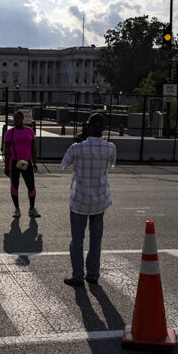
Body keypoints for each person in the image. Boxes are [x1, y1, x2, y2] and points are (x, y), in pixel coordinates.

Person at [60, 113, 117, 287]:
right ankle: (93, 273)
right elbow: (112, 164)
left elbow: (63, 164)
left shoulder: (77, 148)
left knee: (77, 240)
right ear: (103, 129)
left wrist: (79, 142)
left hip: (80, 201)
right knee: (96, 238)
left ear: (88, 127)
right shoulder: (111, 148)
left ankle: (78, 275)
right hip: (99, 200)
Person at [3, 110, 39, 219]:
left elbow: (33, 148)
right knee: (15, 186)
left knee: (31, 186)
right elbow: (7, 150)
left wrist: (34, 162)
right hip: (14, 163)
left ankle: (32, 209)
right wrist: (6, 166)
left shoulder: (29, 131)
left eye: (18, 118)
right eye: (15, 118)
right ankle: (17, 209)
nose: (16, 120)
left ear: (23, 118)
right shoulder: (10, 132)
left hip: (27, 162)